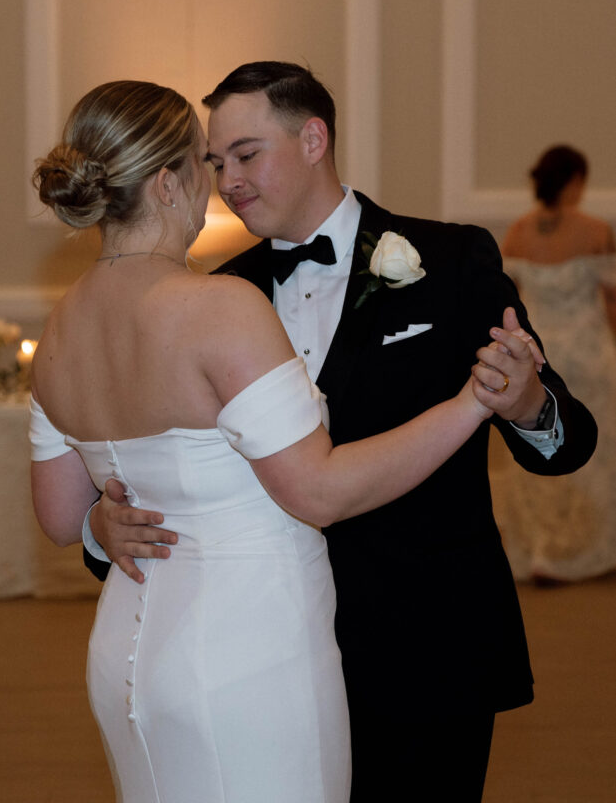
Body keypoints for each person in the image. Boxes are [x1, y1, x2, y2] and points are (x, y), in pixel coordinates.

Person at [82, 65, 597, 802]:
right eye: (215, 161)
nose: (229, 179)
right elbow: (154, 472)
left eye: (247, 153)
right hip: (257, 661)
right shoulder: (207, 298)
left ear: (314, 137)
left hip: (425, 648)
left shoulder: (450, 261)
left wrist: (524, 405)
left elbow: (568, 441)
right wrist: (102, 527)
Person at [498, 145, 616, 582]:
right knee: (595, 452)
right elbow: (612, 301)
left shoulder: (518, 233)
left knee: (539, 443)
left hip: (540, 358)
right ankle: (584, 547)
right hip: (589, 355)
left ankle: (539, 547)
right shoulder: (596, 231)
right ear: (574, 182)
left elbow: (506, 300)